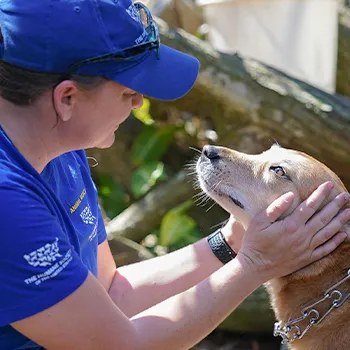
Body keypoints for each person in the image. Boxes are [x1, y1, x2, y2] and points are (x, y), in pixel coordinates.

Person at [0, 1, 349, 349]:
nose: (139, 102)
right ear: (67, 98)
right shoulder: (8, 203)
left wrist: (231, 242)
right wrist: (254, 264)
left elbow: (111, 292)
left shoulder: (59, 147)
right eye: (127, 90)